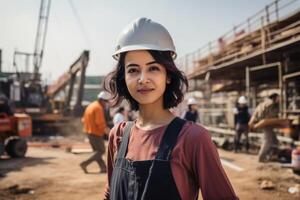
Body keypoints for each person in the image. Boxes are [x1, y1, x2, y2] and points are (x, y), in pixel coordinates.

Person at [103, 17, 238, 200]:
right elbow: (110, 194)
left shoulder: (193, 139)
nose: (143, 79)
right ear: (124, 78)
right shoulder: (117, 136)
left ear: (168, 75)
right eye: (133, 70)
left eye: (153, 68)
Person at [80, 91, 111, 173]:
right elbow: (100, 123)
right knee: (101, 151)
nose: (106, 104)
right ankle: (85, 163)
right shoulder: (98, 108)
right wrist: (108, 132)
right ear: (102, 100)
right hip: (95, 133)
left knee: (97, 151)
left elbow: (83, 119)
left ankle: (103, 168)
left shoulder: (91, 105)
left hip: (89, 131)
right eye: (106, 102)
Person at [248, 93, 280, 162]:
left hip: (263, 123)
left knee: (274, 140)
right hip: (267, 124)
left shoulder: (262, 104)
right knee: (267, 141)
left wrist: (252, 121)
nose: (279, 99)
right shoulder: (271, 104)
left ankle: (273, 155)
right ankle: (261, 157)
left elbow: (255, 113)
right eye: (278, 97)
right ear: (274, 98)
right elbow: (272, 115)